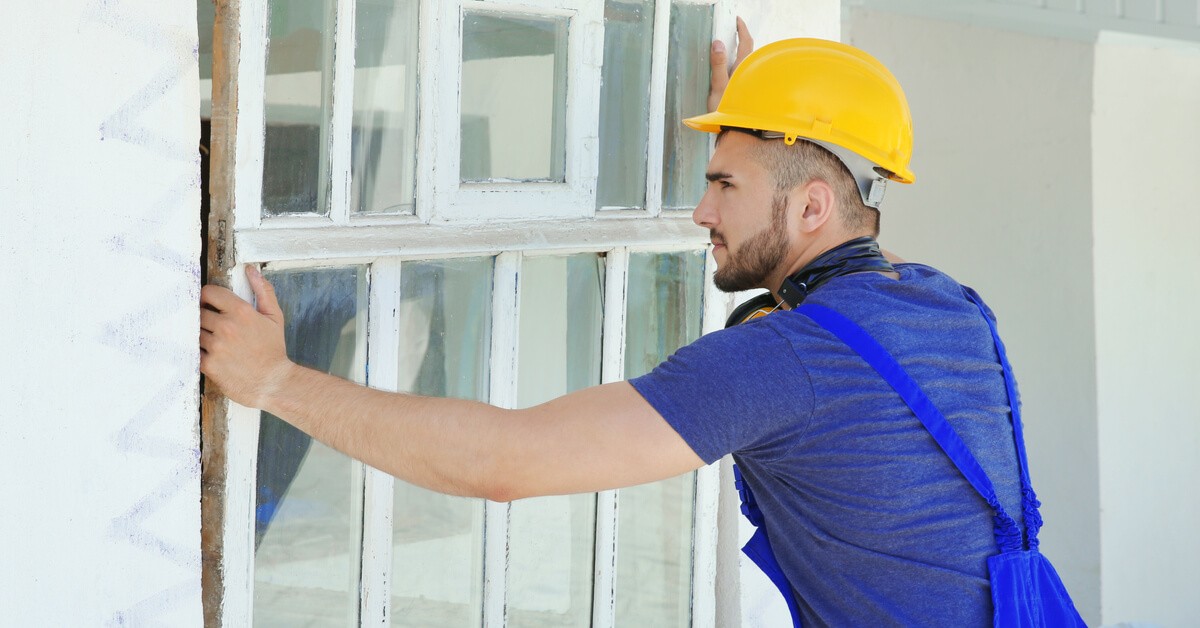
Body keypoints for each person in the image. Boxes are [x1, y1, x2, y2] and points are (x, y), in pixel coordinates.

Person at [200, 29, 1067, 626]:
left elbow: (507, 463)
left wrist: (276, 380)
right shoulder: (946, 307)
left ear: (809, 205)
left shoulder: (785, 363)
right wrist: (762, 124)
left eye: (723, 184)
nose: (698, 211)